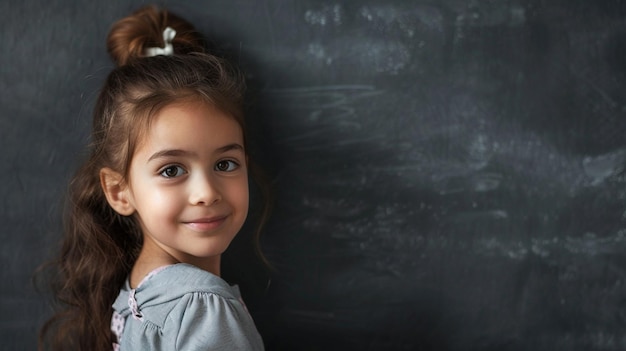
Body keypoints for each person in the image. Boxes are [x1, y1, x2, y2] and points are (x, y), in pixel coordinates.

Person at [39, 5, 267, 351]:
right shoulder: (203, 306)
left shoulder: (136, 293)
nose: (206, 193)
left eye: (225, 164)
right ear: (119, 192)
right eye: (171, 170)